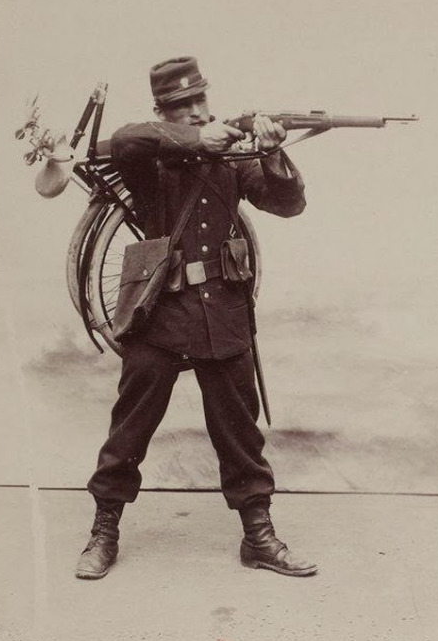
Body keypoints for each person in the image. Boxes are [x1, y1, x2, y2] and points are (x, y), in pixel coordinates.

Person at [75, 56, 317, 580]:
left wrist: (272, 152)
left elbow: (287, 204)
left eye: (200, 101)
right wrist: (192, 141)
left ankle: (259, 537)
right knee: (130, 428)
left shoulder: (234, 155)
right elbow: (124, 139)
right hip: (158, 311)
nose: (196, 112)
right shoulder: (151, 156)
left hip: (224, 311)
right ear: (163, 110)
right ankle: (103, 531)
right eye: (181, 106)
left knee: (239, 432)